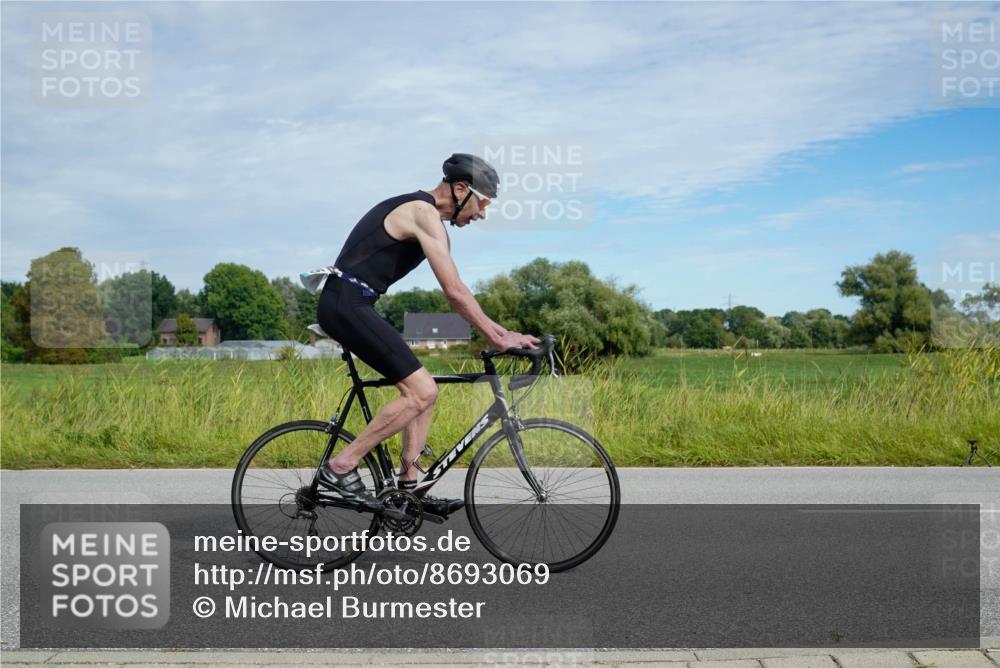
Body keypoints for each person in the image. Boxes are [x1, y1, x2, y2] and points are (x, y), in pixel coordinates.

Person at [314, 153, 539, 516]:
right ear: (461, 189)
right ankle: (341, 467)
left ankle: (409, 485)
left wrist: (505, 333)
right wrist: (499, 339)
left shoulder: (432, 221)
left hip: (356, 303)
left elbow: (461, 291)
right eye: (482, 204)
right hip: (345, 302)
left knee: (423, 391)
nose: (481, 214)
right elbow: (454, 293)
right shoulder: (422, 212)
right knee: (422, 391)